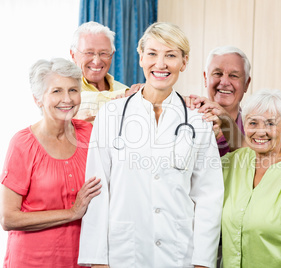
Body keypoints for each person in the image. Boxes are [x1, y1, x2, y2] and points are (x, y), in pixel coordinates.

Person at [78, 22, 224, 268]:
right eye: (153, 54)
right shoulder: (111, 115)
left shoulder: (198, 122)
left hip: (180, 254)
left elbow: (209, 198)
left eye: (171, 55)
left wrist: (202, 262)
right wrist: (97, 259)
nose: (161, 64)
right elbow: (97, 190)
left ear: (184, 62)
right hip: (123, 252)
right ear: (141, 58)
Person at [203, 89, 281, 267]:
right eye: (253, 123)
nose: (260, 132)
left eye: (270, 123)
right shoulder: (232, 163)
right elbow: (191, 176)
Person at [0, 58, 101, 267]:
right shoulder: (23, 144)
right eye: (56, 91)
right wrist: (72, 212)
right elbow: (8, 219)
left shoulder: (89, 134)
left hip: (81, 259)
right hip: (32, 261)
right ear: (38, 99)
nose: (67, 99)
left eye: (73, 90)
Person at [70, 21, 130, 123]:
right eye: (89, 53)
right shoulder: (66, 92)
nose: (97, 61)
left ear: (111, 55)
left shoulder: (124, 89)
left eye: (103, 53)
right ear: (73, 55)